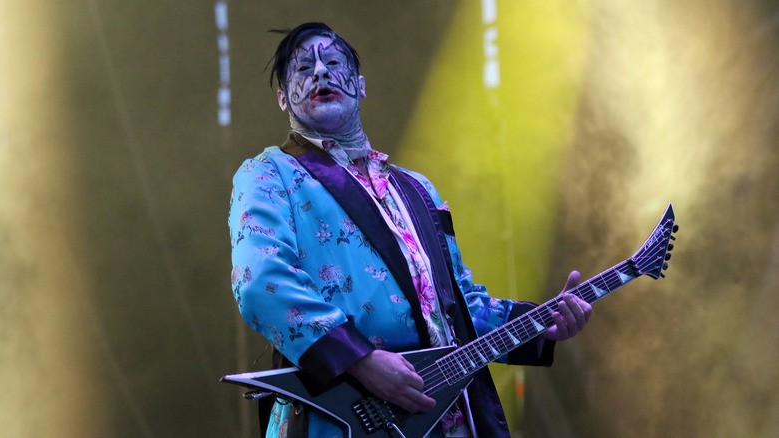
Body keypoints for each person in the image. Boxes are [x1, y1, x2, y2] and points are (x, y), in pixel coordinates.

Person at [228, 22, 592, 438]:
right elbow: (260, 282)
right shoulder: (268, 174)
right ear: (282, 98)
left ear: (361, 85)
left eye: (332, 62)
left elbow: (456, 305)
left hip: (445, 414)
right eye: (302, 70)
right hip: (340, 416)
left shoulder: (417, 189)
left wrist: (540, 323)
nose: (320, 74)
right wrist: (360, 360)